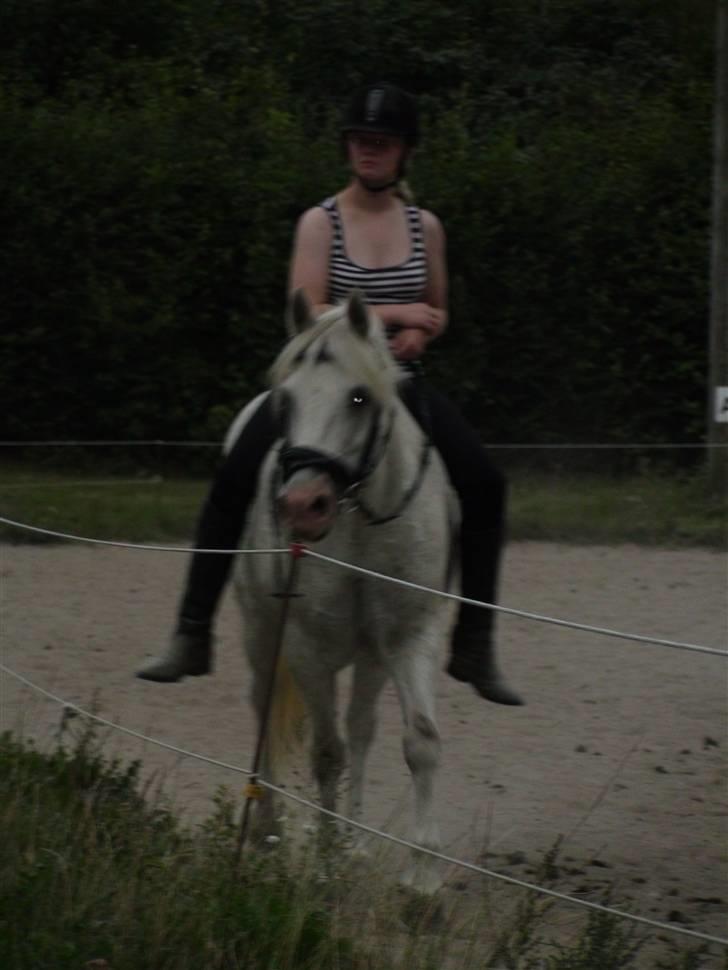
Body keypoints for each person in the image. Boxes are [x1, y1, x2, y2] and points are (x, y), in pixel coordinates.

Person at [137, 82, 523, 706]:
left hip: (393, 383)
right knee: (236, 472)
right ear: (347, 147)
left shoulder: (427, 227)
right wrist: (398, 312)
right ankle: (192, 630)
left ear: (404, 153)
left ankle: (475, 642)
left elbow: (437, 314)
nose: (369, 152)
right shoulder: (321, 222)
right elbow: (312, 308)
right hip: (323, 380)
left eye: (383, 143)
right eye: (360, 141)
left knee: (484, 482)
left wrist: (418, 337)